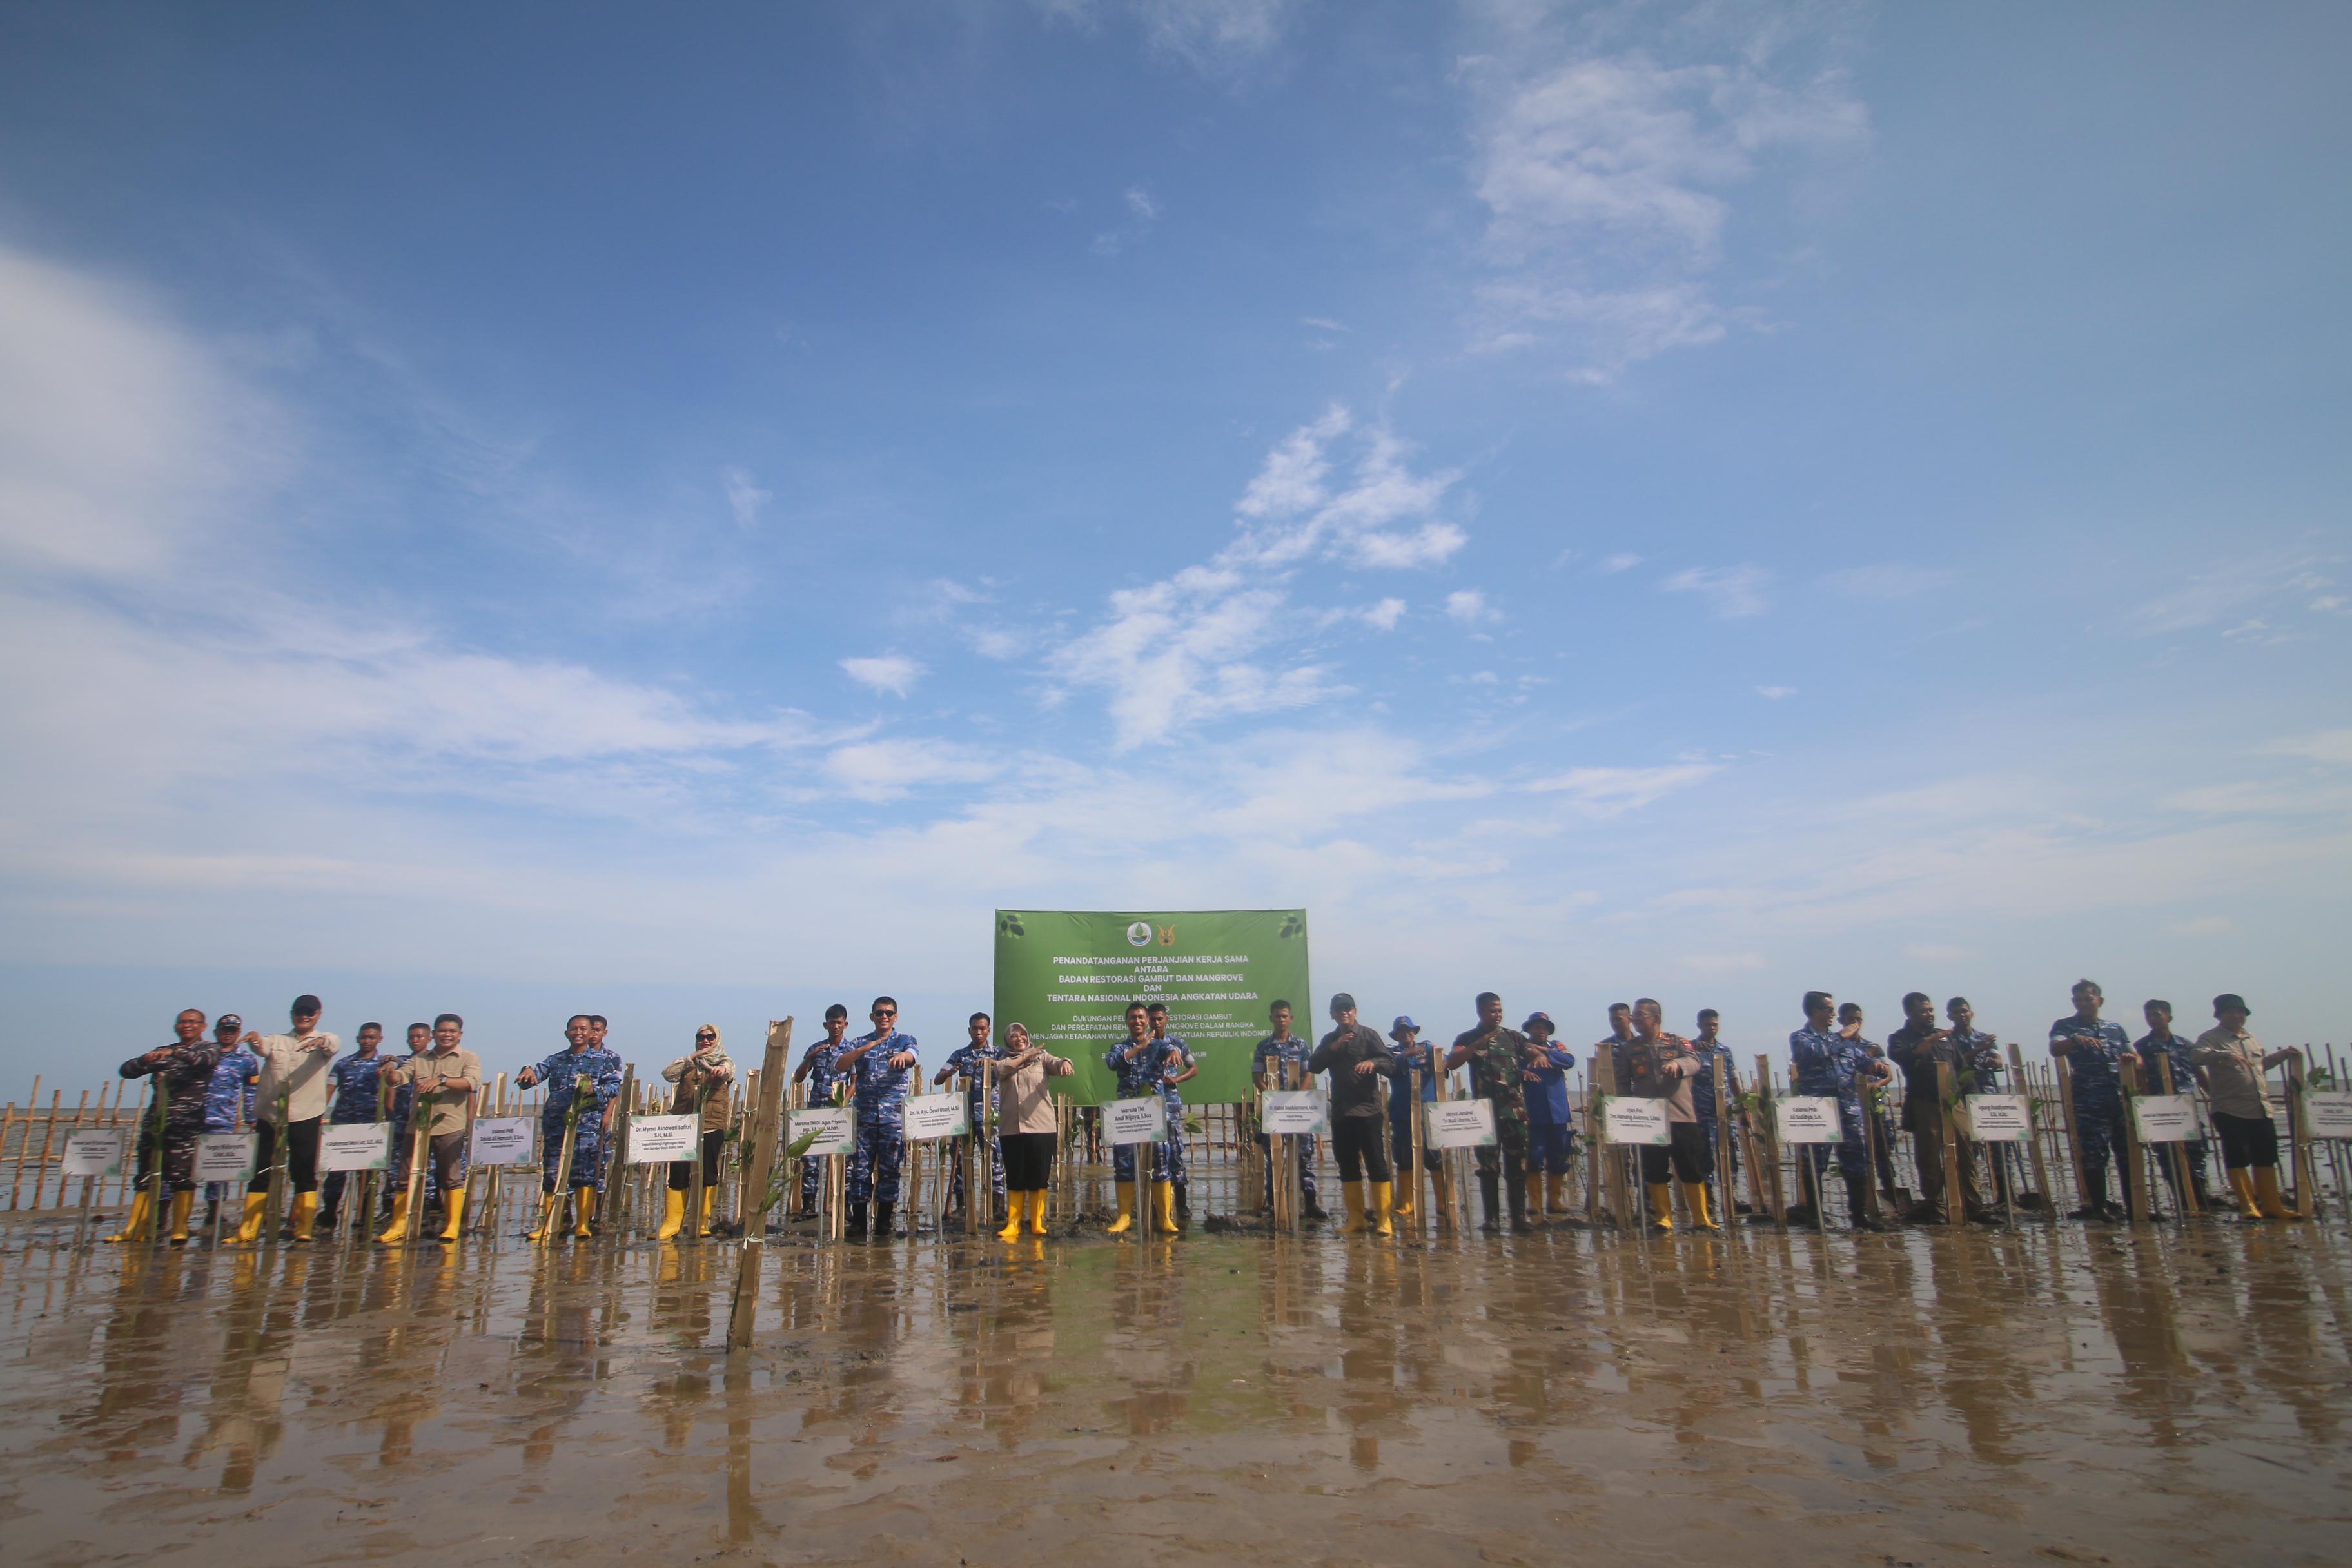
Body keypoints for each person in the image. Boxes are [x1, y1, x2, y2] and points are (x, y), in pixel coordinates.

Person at [108, 1010, 223, 1244]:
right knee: (145, 1176)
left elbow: (204, 1061)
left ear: (203, 1026)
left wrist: (176, 1052)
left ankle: (179, 1227)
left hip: (186, 1125)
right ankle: (136, 1227)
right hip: (156, 1123)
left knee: (181, 1177)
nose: (186, 1026)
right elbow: (126, 1071)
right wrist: (143, 1061)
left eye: (192, 1022)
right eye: (182, 1022)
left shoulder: (209, 1049)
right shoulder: (164, 1051)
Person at [234, 995, 341, 1245]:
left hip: (306, 1114)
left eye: (310, 1013)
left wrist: (319, 1041)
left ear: (318, 1014)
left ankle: (303, 1227)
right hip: (271, 1115)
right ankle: (249, 1228)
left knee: (303, 1171)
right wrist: (254, 1038)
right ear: (292, 1014)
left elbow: (332, 1045)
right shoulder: (277, 1040)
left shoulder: (327, 1038)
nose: (304, 1016)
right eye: (299, 1012)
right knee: (260, 1169)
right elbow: (262, 1047)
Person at [2191, 994, 2304, 1220]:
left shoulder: (2252, 1038)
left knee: (2266, 1156)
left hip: (2260, 1108)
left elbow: (2261, 1065)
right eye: (2230, 1012)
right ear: (2220, 1015)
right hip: (2229, 1108)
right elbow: (2196, 1056)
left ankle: (2273, 1205)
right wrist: (2223, 1055)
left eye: (2240, 1012)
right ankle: (2248, 1206)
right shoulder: (2211, 1038)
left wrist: (2282, 1055)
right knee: (2238, 1156)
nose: (2236, 1016)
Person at [1788, 991, 1892, 1231]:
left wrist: (1875, 1065)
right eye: (1828, 1009)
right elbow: (1812, 1053)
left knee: (1857, 1160)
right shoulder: (1801, 1038)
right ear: (1815, 1011)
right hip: (1819, 1109)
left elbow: (1860, 1061)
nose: (1833, 1014)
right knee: (1815, 1162)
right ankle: (1815, 1217)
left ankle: (1859, 1216)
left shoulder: (1844, 1042)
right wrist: (1840, 1036)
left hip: (1848, 1107)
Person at [1886, 992, 1992, 1224]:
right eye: (1923, 1011)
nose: (1929, 1015)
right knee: (1930, 1157)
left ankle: (1973, 1206)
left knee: (1966, 1153)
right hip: (1925, 1103)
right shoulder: (1900, 1038)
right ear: (1910, 1013)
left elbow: (1962, 1071)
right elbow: (1901, 1056)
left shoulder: (1945, 1038)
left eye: (1931, 1010)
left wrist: (1976, 1102)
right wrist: (1928, 1043)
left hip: (1955, 1103)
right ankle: (1936, 1206)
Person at [515, 1015, 624, 1240]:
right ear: (566, 1033)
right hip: (557, 1125)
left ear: (590, 1032)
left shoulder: (602, 1060)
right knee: (552, 1174)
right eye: (573, 1029)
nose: (578, 1033)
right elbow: (534, 1076)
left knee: (584, 1174)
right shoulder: (555, 1060)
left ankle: (583, 1224)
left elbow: (614, 1086)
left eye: (583, 1029)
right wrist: (527, 1074)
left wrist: (595, 1093)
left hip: (587, 1125)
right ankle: (551, 1223)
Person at [378, 1014, 482, 1243]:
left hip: (450, 1126)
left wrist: (442, 1081)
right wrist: (390, 1072)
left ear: (460, 1035)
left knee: (451, 1178)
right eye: (442, 1031)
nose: (447, 1035)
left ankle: (452, 1225)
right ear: (434, 1034)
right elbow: (400, 1078)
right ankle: (398, 1226)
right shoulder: (420, 1059)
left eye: (452, 1032)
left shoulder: (468, 1058)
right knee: (404, 1177)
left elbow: (470, 1083)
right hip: (417, 1127)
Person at [1618, 1000, 1714, 1232]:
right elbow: (1622, 1082)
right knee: (1654, 1168)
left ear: (1655, 1018)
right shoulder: (1629, 1048)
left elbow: (1694, 1062)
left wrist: (1677, 1064)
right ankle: (1664, 1218)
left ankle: (1701, 1219)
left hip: (1681, 1115)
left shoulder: (1677, 1042)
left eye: (1640, 1015)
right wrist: (1624, 1111)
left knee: (1691, 1167)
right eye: (1634, 1016)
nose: (1635, 1019)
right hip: (1648, 1120)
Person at [1310, 993, 1398, 1237]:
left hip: (1368, 1110)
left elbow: (1390, 1064)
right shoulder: (1330, 1039)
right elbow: (1314, 1065)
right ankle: (1356, 1219)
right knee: (1347, 1164)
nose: (1344, 1013)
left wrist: (1374, 1063)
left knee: (1376, 1163)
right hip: (1341, 1112)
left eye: (1348, 1009)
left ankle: (1383, 1220)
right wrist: (1333, 1048)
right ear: (1332, 1015)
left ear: (1355, 1011)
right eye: (1339, 1010)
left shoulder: (1369, 1035)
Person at [2049, 979, 2137, 1220]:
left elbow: (2137, 1059)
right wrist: (2075, 1040)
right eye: (2078, 1000)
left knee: (2126, 1152)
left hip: (2118, 1099)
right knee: (2094, 1154)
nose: (2084, 1004)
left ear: (2099, 1001)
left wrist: (2131, 1059)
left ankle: (2134, 1207)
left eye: (2088, 999)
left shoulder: (2114, 1029)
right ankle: (2098, 1207)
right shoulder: (2066, 1026)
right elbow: (2056, 1048)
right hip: (2088, 1101)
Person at [1447, 992, 1532, 1233]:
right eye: (1492, 1011)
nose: (1497, 1015)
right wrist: (1478, 1044)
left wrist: (1538, 1057)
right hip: (1484, 1114)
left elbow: (1531, 1050)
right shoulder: (1468, 1038)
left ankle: (1518, 1218)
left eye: (1500, 1011)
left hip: (1514, 1112)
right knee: (1488, 1167)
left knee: (1517, 1165)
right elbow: (1452, 1062)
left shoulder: (1513, 1037)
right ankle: (1491, 1219)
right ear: (1481, 1012)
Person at [836, 996, 919, 1240]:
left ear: (896, 1016)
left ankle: (884, 1222)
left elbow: (913, 1055)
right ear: (872, 1016)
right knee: (860, 1172)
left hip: (892, 1121)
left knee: (890, 1171)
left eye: (889, 1013)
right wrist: (861, 1051)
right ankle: (859, 1223)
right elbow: (839, 1066)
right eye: (879, 1013)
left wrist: (903, 1057)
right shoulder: (860, 1042)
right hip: (864, 1120)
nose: (884, 1017)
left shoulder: (905, 1040)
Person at [1103, 1001, 1179, 1235]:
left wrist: (1174, 1052)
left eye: (1141, 1017)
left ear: (1148, 1021)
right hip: (1126, 1114)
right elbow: (1112, 1063)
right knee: (1124, 1164)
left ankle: (1164, 1218)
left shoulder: (1160, 1046)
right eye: (1133, 1018)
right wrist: (1139, 1047)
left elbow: (1172, 1051)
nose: (1137, 1021)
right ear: (1127, 1022)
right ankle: (1124, 1217)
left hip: (1152, 1114)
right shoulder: (1119, 1046)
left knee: (1160, 1161)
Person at [993, 1022, 1073, 1239]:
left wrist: (1065, 1063)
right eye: (1013, 1036)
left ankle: (1037, 1222)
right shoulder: (1002, 1060)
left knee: (1039, 1175)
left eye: (1022, 1034)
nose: (1018, 1038)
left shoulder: (1042, 1057)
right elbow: (1002, 1071)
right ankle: (1013, 1223)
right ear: (1008, 1040)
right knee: (1016, 1176)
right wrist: (1026, 1057)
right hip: (1011, 1128)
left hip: (1041, 1126)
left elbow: (1057, 1063)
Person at [2135, 999, 2214, 1212]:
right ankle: (2181, 1199)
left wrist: (2212, 1097)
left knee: (2195, 1152)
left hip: (2185, 1107)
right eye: (2149, 1016)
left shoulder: (2186, 1045)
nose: (2153, 1019)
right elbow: (2139, 1079)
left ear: (2169, 1017)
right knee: (2167, 1155)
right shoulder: (2142, 1047)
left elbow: (2199, 1073)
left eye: (2157, 1015)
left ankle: (2200, 1197)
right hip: (2159, 1108)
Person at [658, 1024, 735, 1240]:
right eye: (701, 1037)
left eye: (711, 1037)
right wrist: (692, 1058)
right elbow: (668, 1074)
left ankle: (702, 1221)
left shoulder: (724, 1061)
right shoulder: (687, 1064)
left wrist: (719, 1070)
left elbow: (728, 1072)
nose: (706, 1041)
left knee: (708, 1172)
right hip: (683, 1126)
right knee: (678, 1173)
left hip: (711, 1124)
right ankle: (672, 1223)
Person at [1252, 999, 1324, 1221]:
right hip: (1274, 1109)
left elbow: (1308, 1073)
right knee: (1273, 1157)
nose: (1281, 1020)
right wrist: (1271, 1098)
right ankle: (1273, 1203)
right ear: (1271, 1019)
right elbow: (1257, 1076)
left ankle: (1311, 1203)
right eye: (1277, 1016)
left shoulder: (1301, 1046)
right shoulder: (1263, 1046)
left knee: (1304, 1156)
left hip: (1298, 1108)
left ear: (1290, 1018)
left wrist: (1299, 1098)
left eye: (1284, 1016)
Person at [317, 1021, 389, 1231]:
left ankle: (364, 1215)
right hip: (342, 1126)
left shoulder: (384, 1065)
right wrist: (320, 1114)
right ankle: (329, 1213)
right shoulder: (343, 1064)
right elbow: (329, 1090)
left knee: (367, 1174)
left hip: (370, 1129)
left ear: (379, 1039)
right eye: (364, 1037)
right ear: (358, 1039)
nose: (367, 1041)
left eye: (372, 1038)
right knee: (335, 1173)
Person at [936, 1012, 1005, 1226]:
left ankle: (997, 1206)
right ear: (969, 1030)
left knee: (995, 1159)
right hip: (964, 1116)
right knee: (960, 1162)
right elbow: (939, 1077)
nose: (978, 1032)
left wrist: (992, 1062)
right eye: (975, 1028)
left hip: (989, 1115)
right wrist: (949, 1073)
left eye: (982, 1028)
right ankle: (962, 1205)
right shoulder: (960, 1054)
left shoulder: (998, 1053)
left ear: (988, 1030)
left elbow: (1012, 1068)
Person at [199, 1013, 261, 1234]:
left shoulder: (247, 1061)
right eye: (224, 1030)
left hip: (223, 1122)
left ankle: (214, 1215)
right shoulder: (202, 1055)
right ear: (216, 1032)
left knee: (219, 1172)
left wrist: (252, 1119)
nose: (228, 1034)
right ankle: (166, 1220)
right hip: (193, 1119)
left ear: (238, 1033)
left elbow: (251, 1091)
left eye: (233, 1030)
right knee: (180, 1170)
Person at [1839, 1002, 1902, 1208]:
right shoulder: (1836, 1046)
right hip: (1849, 1108)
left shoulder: (1871, 1047)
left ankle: (1890, 1197)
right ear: (1841, 1022)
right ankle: (1865, 1203)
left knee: (1883, 1153)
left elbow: (1887, 1074)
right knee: (1858, 1157)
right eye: (1850, 1019)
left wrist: (1875, 1084)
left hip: (1874, 1107)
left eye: (1858, 1019)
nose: (1855, 1023)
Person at [1382, 1015, 1444, 1220]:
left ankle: (1443, 1203)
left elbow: (1445, 1064)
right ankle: (1407, 1203)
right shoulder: (1391, 1052)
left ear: (1415, 1032)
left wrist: (1436, 1053)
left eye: (1409, 1030)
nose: (1406, 1033)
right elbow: (1389, 1066)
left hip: (1428, 1112)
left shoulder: (1427, 1048)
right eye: (1402, 1031)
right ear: (1396, 1035)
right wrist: (1409, 1053)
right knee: (1404, 1157)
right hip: (1402, 1113)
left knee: (1434, 1157)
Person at [792, 1004, 852, 1217]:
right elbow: (799, 1079)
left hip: (839, 1112)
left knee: (844, 1160)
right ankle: (809, 1206)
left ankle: (844, 1205)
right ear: (825, 1024)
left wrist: (843, 1101)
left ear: (845, 1024)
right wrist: (809, 1058)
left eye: (839, 1023)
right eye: (831, 1023)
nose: (835, 1026)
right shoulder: (816, 1048)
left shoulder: (851, 1050)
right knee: (810, 1159)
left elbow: (856, 1080)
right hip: (816, 1110)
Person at [1518, 1012, 1578, 1223]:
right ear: (1529, 1029)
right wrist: (1523, 1072)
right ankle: (1534, 1201)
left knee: (1559, 1157)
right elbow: (1512, 1070)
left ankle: (1554, 1200)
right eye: (1536, 1027)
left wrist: (1544, 1051)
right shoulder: (1521, 1049)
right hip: (1534, 1113)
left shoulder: (1557, 1046)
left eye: (1544, 1027)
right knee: (1534, 1158)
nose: (1541, 1030)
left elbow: (1569, 1060)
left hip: (1559, 1114)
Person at [1688, 1010, 1743, 1217]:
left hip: (1725, 1112)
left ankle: (1731, 1196)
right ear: (1699, 1025)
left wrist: (1741, 1108)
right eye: (1707, 1025)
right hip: (1702, 1111)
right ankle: (1708, 1196)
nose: (1711, 1028)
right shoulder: (1691, 1049)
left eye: (1714, 1024)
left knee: (1730, 1154)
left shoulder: (1724, 1051)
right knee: (1705, 1155)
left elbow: (1733, 1080)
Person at [1148, 1003, 1199, 1220]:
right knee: (1150, 1157)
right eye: (1153, 1019)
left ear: (1166, 1019)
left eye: (1160, 1019)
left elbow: (1194, 1068)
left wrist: (1176, 1079)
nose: (1156, 1023)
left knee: (1175, 1153)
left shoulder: (1177, 1044)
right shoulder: (1142, 1044)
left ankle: (1182, 1203)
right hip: (1148, 1108)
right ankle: (1154, 1206)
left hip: (1171, 1107)